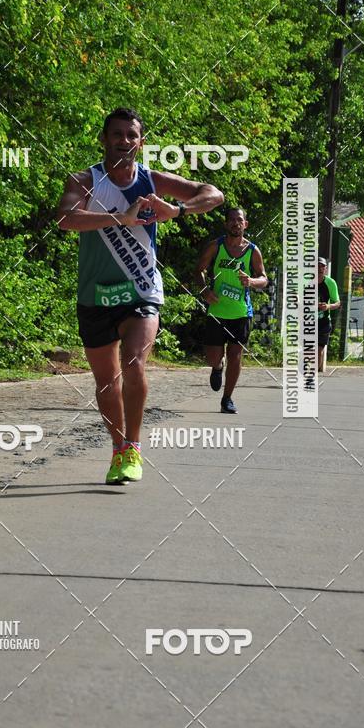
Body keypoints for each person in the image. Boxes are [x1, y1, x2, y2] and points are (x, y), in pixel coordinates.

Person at [56, 107, 224, 484]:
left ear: (141, 142)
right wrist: (122, 218)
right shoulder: (85, 180)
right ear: (104, 139)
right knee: (105, 381)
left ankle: (133, 447)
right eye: (117, 134)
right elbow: (66, 219)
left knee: (133, 363)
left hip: (142, 290)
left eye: (132, 136)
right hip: (94, 296)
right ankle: (118, 450)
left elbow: (213, 194)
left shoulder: (151, 179)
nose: (124, 141)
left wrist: (176, 210)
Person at [194, 207, 267, 413]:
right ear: (226, 224)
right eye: (232, 220)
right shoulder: (215, 247)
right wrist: (205, 290)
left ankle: (227, 399)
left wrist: (251, 281)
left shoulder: (253, 251)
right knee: (213, 357)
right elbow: (199, 270)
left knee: (236, 354)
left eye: (239, 220)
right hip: (217, 311)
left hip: (241, 312)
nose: (236, 223)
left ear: (246, 224)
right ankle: (217, 367)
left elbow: (264, 278)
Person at [317, 257, 340, 371]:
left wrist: (328, 306)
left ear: (325, 268)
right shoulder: (305, 281)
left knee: (319, 350)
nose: (320, 269)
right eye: (317, 266)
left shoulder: (330, 283)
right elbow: (297, 296)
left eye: (322, 266)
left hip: (324, 321)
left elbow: (337, 302)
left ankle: (312, 377)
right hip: (307, 320)